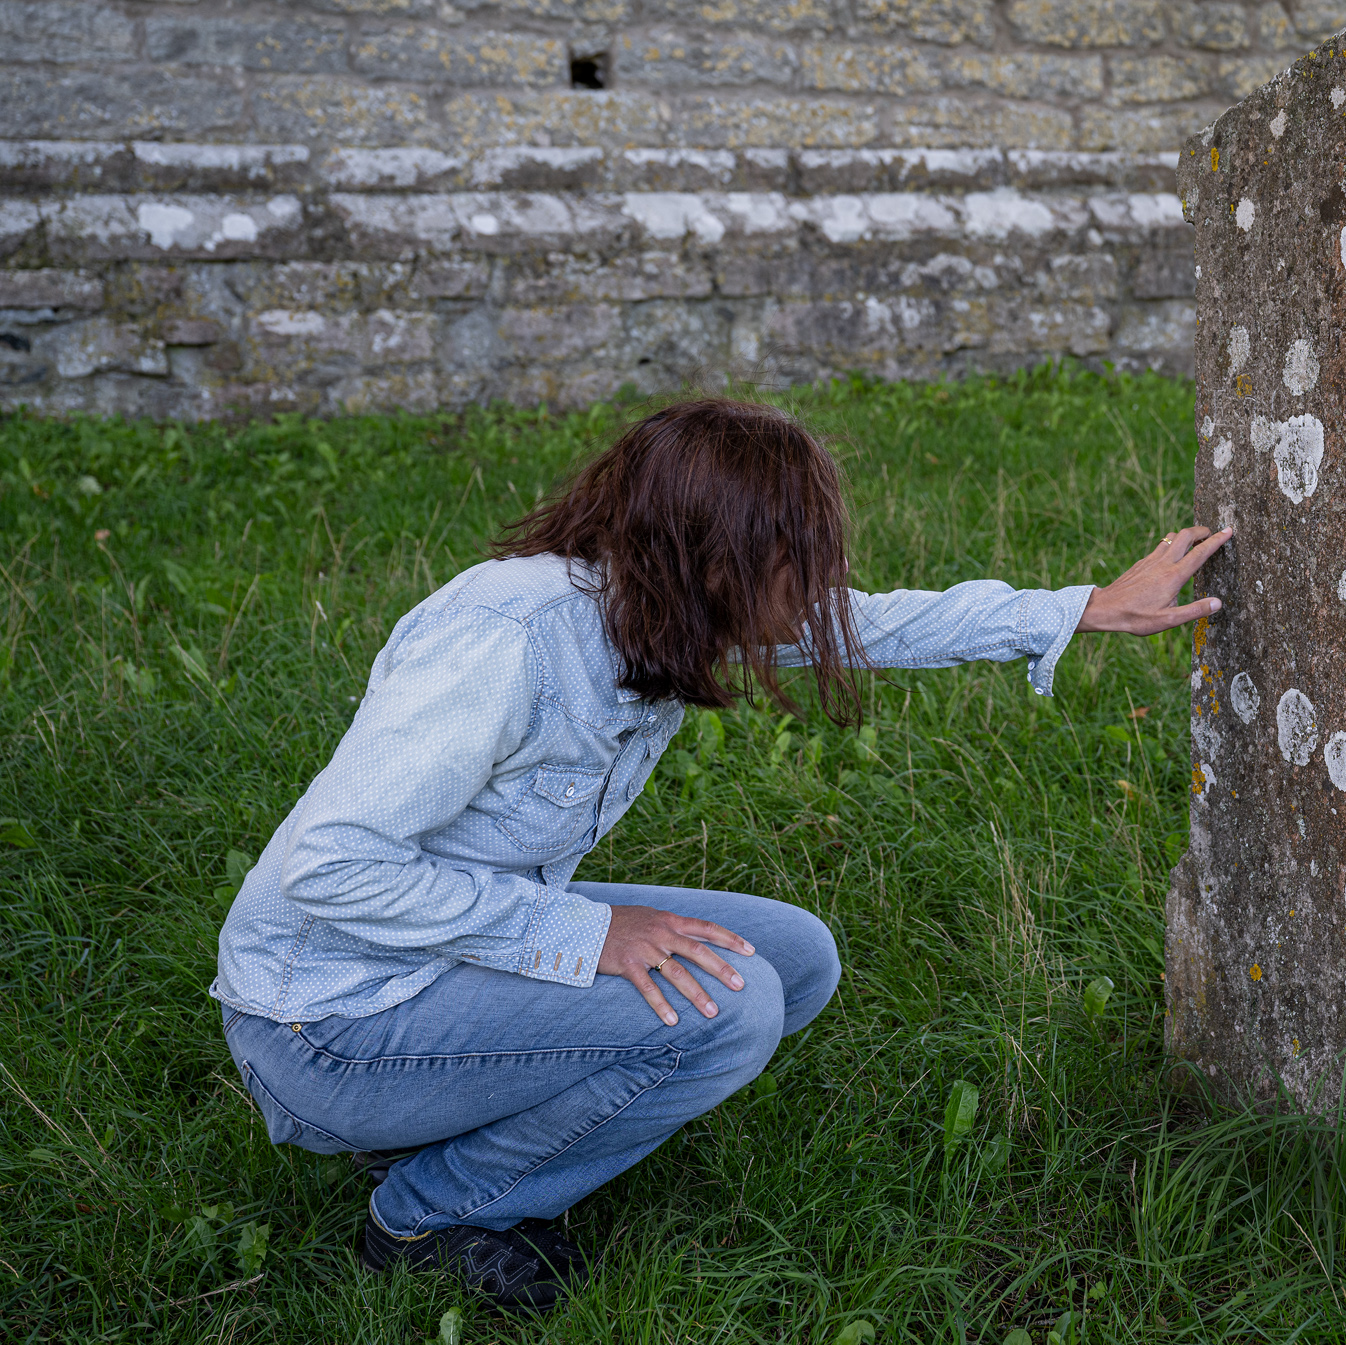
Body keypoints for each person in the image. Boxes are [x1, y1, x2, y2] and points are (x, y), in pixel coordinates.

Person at [212, 396, 1231, 1310]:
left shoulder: (660, 605)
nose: (825, 585)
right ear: (707, 558)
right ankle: (428, 1212)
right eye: (801, 559)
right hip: (329, 1023)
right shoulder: (508, 638)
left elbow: (871, 624)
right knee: (726, 1006)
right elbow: (332, 863)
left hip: (437, 957)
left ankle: (458, 1129)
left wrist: (1080, 607)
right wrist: (585, 933)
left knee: (791, 959)